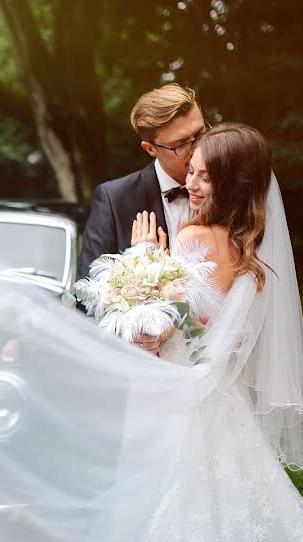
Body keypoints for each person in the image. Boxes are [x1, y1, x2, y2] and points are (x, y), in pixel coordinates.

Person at [105, 122, 303, 542]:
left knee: (174, 513)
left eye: (205, 177)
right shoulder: (253, 252)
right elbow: (209, 328)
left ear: (231, 184)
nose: (192, 183)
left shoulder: (192, 238)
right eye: (194, 171)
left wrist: (141, 260)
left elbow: (165, 329)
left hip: (181, 397)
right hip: (225, 401)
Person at [78, 84, 207, 354]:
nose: (197, 149)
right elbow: (86, 298)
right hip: (145, 368)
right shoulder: (115, 200)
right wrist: (133, 331)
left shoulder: (229, 188)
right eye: (182, 144)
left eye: (200, 133)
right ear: (150, 148)